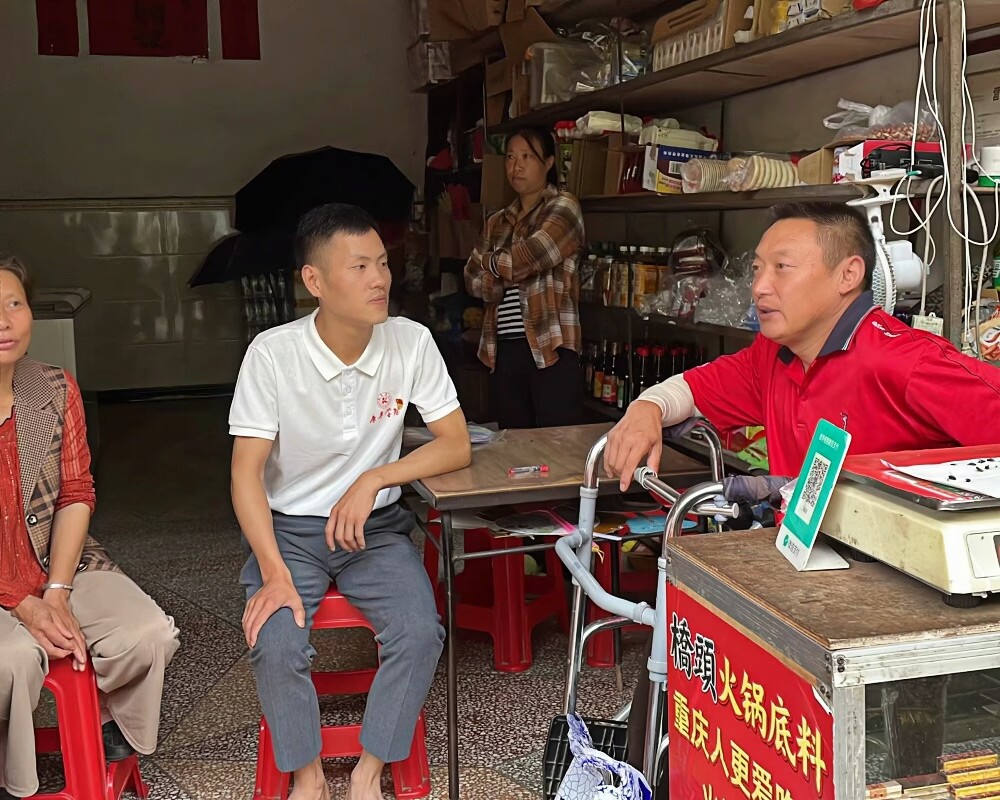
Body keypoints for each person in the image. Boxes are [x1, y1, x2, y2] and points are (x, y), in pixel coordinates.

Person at [602, 202, 1000, 782]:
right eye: (758, 268)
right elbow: (691, 388)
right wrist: (645, 409)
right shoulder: (775, 355)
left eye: (782, 268)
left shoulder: (903, 361)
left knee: (893, 768)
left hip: (893, 630)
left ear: (848, 275)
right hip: (801, 597)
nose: (760, 286)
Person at [229, 204, 472, 800]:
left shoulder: (409, 342)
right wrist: (274, 572)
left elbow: (457, 444)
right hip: (287, 531)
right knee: (277, 639)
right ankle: (307, 773)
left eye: (383, 264)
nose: (380, 280)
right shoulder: (272, 354)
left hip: (377, 531)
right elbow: (244, 475)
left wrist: (373, 479)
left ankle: (370, 766)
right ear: (315, 282)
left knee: (420, 631)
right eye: (360, 266)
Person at [0, 257, 179, 798]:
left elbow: (76, 493)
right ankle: (16, 779)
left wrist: (56, 589)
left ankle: (109, 728)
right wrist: (22, 603)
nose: (5, 321)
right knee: (13, 661)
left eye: (14, 304)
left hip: (56, 560)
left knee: (147, 634)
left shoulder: (53, 388)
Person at [464, 126, 585, 429]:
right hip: (503, 348)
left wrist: (492, 262)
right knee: (514, 448)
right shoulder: (496, 221)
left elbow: (531, 256)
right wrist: (505, 271)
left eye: (527, 157)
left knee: (556, 447)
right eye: (510, 157)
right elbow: (471, 279)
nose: (516, 166)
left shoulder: (564, 206)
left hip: (551, 347)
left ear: (548, 163)